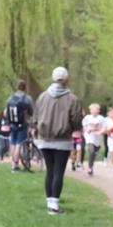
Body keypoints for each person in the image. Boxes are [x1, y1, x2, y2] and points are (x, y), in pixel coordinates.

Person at [34, 66, 83, 214]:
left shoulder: (42, 97)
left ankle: (50, 202)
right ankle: (54, 206)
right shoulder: (72, 99)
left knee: (50, 171)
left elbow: (36, 117)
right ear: (66, 79)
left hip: (44, 138)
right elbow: (76, 120)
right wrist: (74, 128)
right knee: (58, 172)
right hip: (62, 139)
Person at [6, 80, 34, 172]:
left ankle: (12, 165)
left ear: (17, 87)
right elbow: (31, 111)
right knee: (19, 144)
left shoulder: (10, 98)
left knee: (13, 143)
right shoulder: (27, 98)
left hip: (12, 123)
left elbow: (7, 112)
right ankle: (16, 165)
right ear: (25, 88)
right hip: (22, 124)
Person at [82, 103, 106, 176]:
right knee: (91, 151)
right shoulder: (87, 117)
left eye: (96, 110)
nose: (95, 111)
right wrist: (87, 129)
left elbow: (104, 128)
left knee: (95, 150)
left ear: (99, 111)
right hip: (89, 136)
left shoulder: (101, 118)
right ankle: (90, 167)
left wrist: (100, 132)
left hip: (98, 138)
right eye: (93, 110)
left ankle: (91, 165)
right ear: (90, 110)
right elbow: (84, 125)